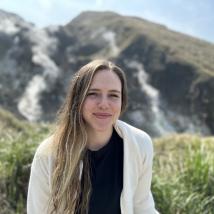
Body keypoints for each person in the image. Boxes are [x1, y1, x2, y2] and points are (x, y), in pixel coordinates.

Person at [27, 59, 159, 214]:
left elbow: (142, 207)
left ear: (122, 102)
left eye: (113, 95)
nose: (104, 104)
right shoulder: (48, 154)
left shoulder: (140, 144)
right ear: (78, 100)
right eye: (93, 94)